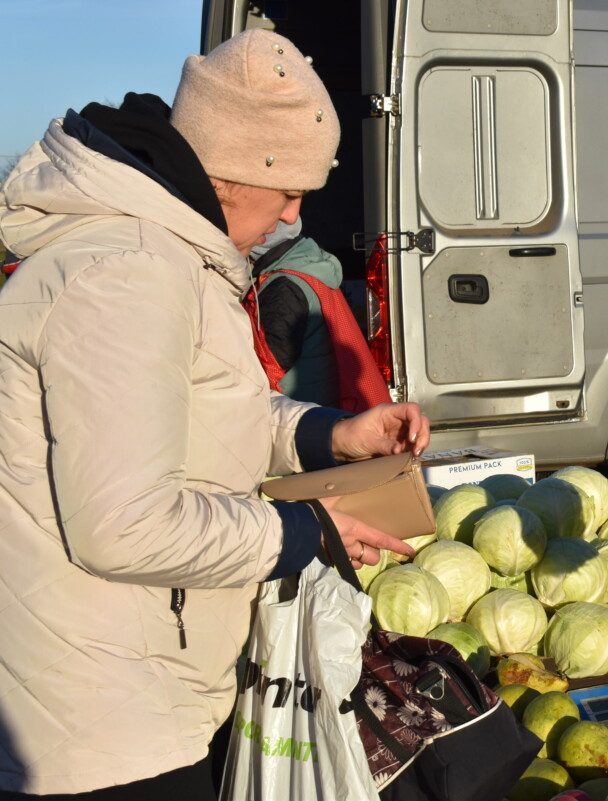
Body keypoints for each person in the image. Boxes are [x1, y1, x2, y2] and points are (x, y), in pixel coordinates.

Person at [0, 29, 430, 799]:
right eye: (291, 189)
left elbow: (196, 409)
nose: (295, 215)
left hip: (136, 685)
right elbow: (125, 522)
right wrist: (309, 532)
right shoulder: (125, 273)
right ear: (235, 171)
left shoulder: (168, 254)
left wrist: (327, 432)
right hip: (100, 723)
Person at [247, 217, 390, 410]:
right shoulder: (307, 267)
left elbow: (262, 371)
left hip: (298, 419)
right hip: (319, 411)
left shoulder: (285, 286)